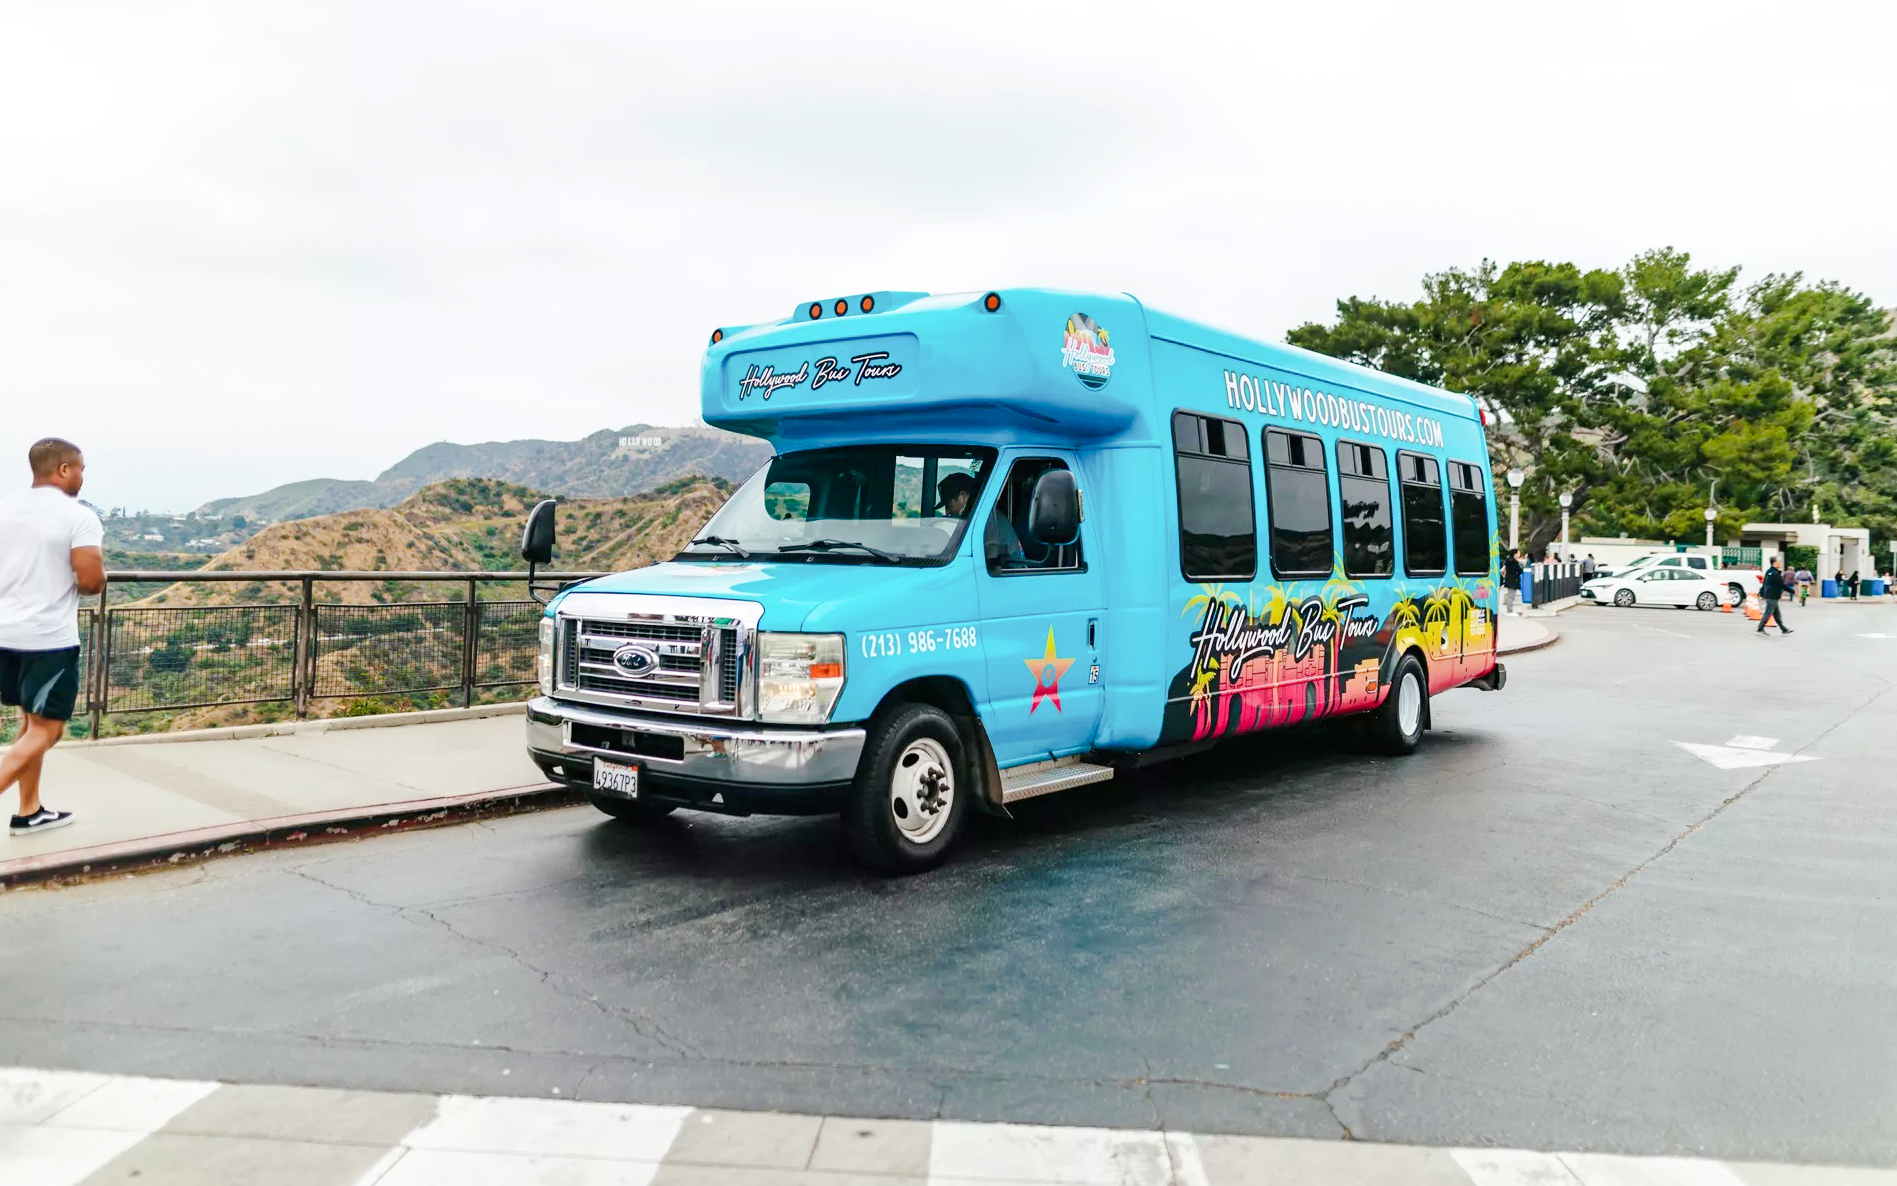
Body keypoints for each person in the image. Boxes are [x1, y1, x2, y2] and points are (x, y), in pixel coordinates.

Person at [0, 438, 104, 834]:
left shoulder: (5, 508)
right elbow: (92, 581)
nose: (81, 477)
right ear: (63, 469)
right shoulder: (78, 516)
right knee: (49, 729)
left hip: (4, 633)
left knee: (31, 725)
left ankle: (30, 810)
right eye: (80, 468)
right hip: (47, 638)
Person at [937, 472, 1024, 567]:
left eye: (948, 505)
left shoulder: (985, 521)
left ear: (964, 496)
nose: (947, 512)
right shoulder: (982, 516)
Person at [1756, 558, 1792, 636]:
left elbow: (1764, 583)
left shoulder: (1769, 572)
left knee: (1776, 614)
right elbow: (1781, 585)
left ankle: (1783, 629)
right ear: (1774, 563)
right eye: (1779, 562)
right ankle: (1760, 629)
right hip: (1772, 596)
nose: (1780, 564)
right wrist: (1792, 591)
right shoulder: (1774, 573)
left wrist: (1761, 593)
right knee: (1769, 612)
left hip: (1771, 595)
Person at [1502, 548, 1523, 616]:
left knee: (1510, 595)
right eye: (1518, 553)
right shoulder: (1514, 562)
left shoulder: (1507, 561)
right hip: (1513, 581)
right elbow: (1520, 570)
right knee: (1511, 596)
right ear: (1515, 554)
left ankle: (1509, 610)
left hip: (1509, 580)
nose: (1519, 554)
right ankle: (1509, 611)